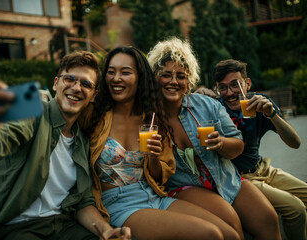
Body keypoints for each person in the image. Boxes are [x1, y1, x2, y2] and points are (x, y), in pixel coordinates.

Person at [0, 51, 131, 240]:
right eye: (70, 79)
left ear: (93, 95)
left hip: (62, 226)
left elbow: (83, 202)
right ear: (56, 83)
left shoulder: (82, 140)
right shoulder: (32, 111)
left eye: (85, 84)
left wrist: (105, 231)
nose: (76, 88)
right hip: (17, 228)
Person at [79, 46, 245, 240]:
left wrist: (153, 157)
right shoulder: (94, 114)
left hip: (154, 195)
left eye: (125, 72)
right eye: (111, 72)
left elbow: (158, 177)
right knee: (211, 234)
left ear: (140, 77)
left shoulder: (151, 119)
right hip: (118, 203)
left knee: (230, 235)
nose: (116, 78)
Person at [147, 37, 282, 240]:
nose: (174, 81)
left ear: (189, 80)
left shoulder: (207, 105)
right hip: (185, 186)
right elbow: (155, 176)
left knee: (268, 219)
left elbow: (237, 145)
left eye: (181, 76)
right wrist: (152, 154)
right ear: (155, 78)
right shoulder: (149, 118)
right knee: (232, 227)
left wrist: (221, 143)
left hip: (225, 177)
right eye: (166, 75)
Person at [202, 59, 306, 240]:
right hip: (240, 177)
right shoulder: (215, 108)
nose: (230, 93)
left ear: (247, 83)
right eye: (223, 87)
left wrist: (272, 114)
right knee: (295, 208)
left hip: (263, 168)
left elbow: (295, 142)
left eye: (235, 85)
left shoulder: (259, 102)